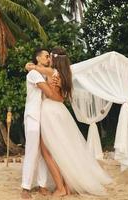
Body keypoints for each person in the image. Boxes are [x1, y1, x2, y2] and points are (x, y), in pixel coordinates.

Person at [25, 47, 112, 196]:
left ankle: (61, 187)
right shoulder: (65, 74)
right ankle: (67, 183)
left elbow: (38, 75)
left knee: (48, 151)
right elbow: (62, 98)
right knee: (62, 148)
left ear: (54, 58)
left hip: (50, 111)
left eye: (49, 56)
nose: (48, 59)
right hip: (60, 111)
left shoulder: (51, 72)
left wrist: (29, 66)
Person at [21, 48, 64, 199]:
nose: (48, 58)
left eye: (49, 57)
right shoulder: (33, 74)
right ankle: (25, 187)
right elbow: (49, 93)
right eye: (46, 56)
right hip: (33, 116)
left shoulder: (45, 73)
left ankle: (42, 185)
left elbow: (55, 85)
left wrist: (58, 83)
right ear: (38, 58)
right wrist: (60, 98)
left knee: (44, 153)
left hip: (44, 117)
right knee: (32, 151)